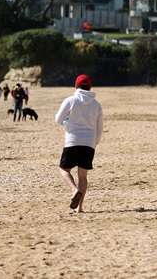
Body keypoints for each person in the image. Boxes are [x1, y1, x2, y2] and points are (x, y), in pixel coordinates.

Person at [55, 74, 103, 213]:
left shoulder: (71, 100)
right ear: (90, 87)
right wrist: (95, 143)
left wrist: (67, 123)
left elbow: (58, 119)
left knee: (64, 169)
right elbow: (99, 127)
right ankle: (80, 208)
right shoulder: (97, 105)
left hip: (72, 141)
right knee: (83, 176)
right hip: (89, 143)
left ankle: (74, 189)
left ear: (76, 86)